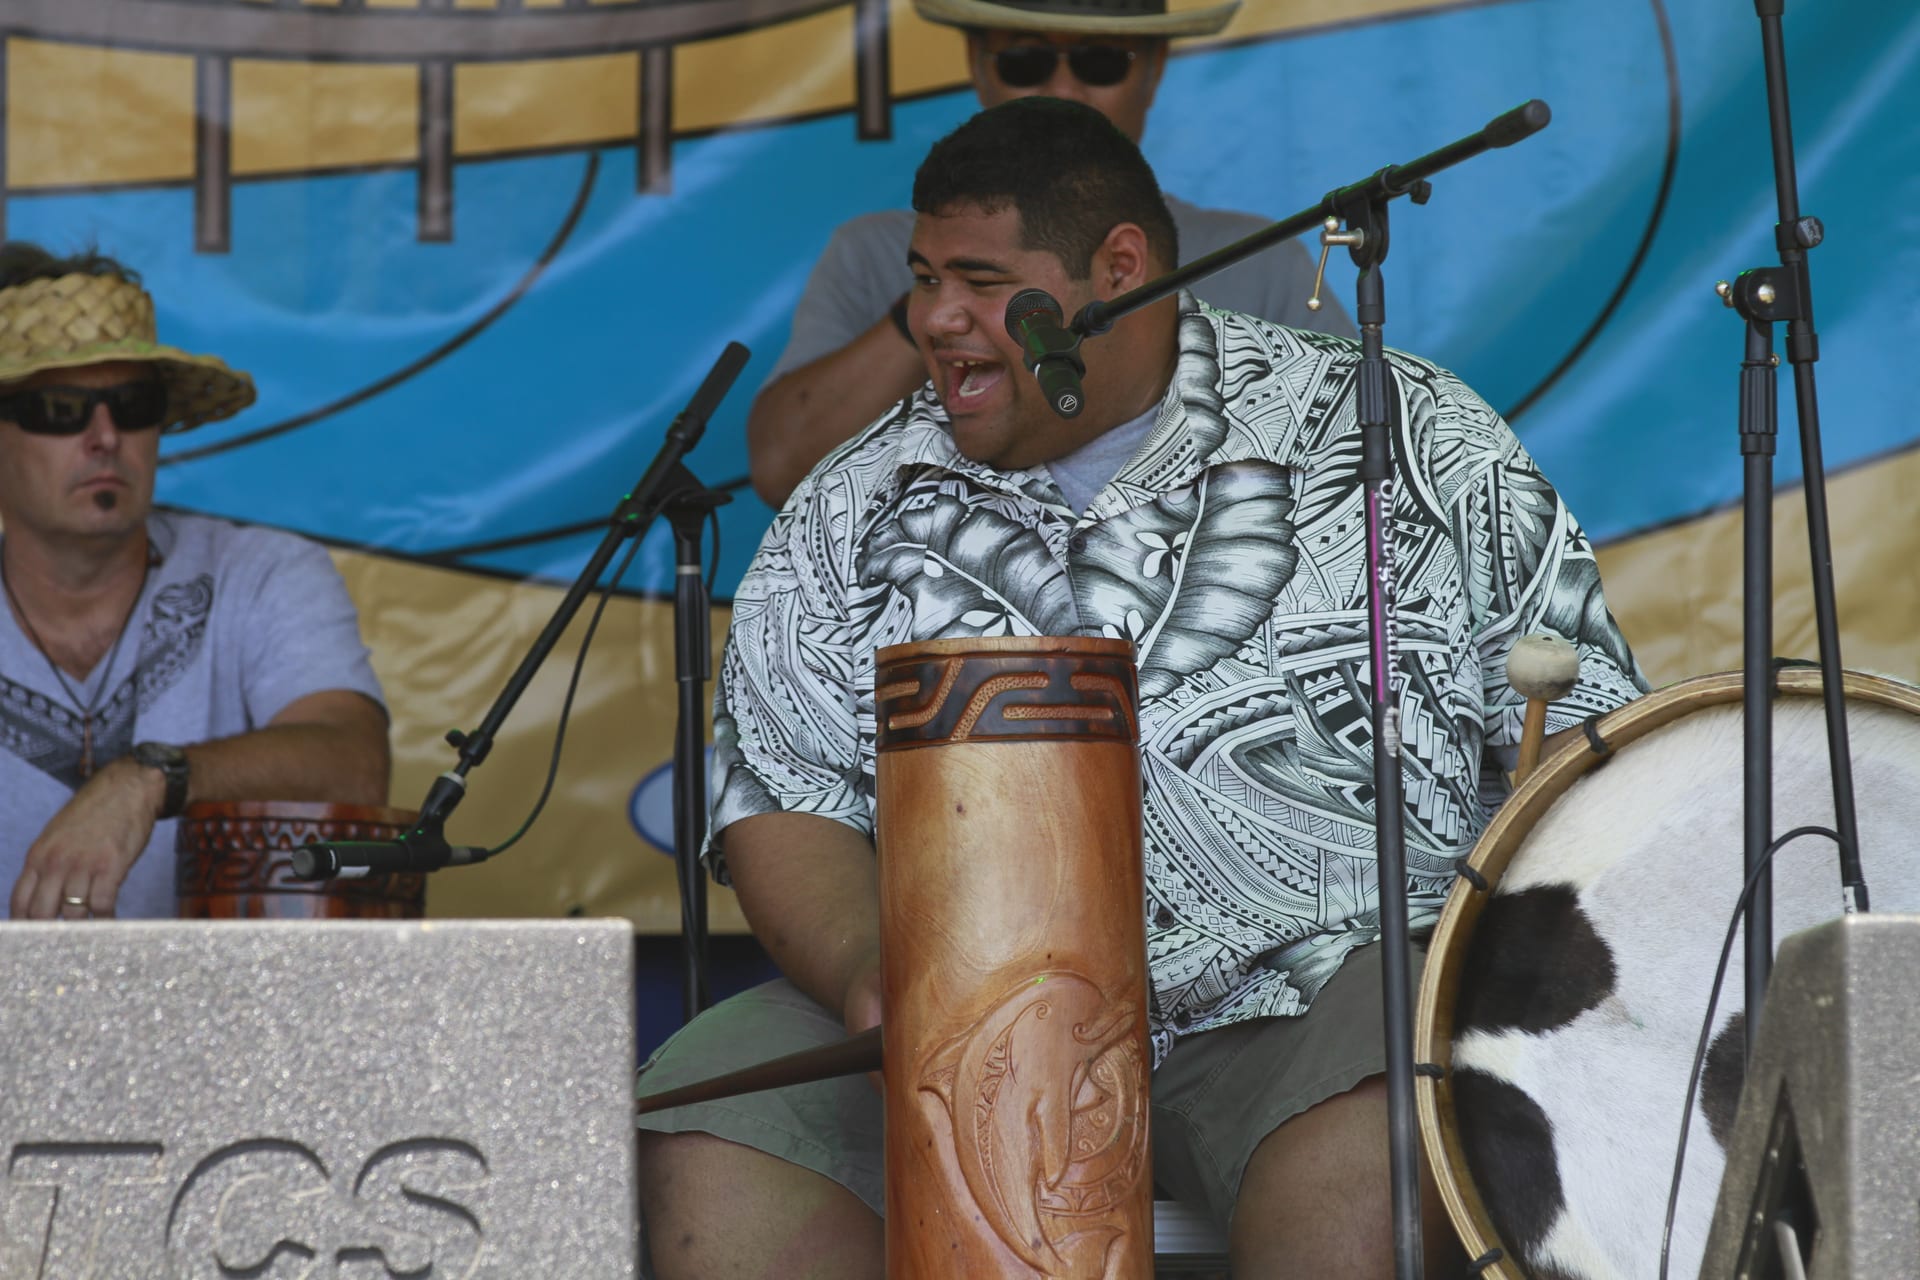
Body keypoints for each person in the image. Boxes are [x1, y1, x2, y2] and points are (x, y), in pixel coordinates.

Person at [637, 98, 1648, 1277]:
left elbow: (1585, 740)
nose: (934, 319)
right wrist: (873, 970)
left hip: (1318, 988)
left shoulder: (1404, 432)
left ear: (1119, 269)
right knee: (718, 1128)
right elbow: (779, 794)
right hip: (956, 1003)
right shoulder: (851, 501)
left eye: (980, 281)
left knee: (1374, 1137)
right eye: (923, 279)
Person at [745, 0, 1357, 507]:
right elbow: (783, 474)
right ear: (977, 64)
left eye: (1100, 61)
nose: (1063, 89)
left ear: (1153, 70)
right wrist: (953, 287)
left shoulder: (1254, 258)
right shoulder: (873, 251)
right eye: (1025, 60)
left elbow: (1348, 476)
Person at [0, 243, 391, 921]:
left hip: (226, 993)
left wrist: (150, 777)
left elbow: (356, 764)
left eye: (134, 404)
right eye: (60, 408)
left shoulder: (263, 573)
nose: (105, 436)